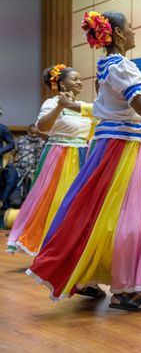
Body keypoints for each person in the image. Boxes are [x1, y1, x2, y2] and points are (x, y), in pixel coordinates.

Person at [27, 11, 141, 311]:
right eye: (131, 27)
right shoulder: (122, 67)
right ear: (120, 34)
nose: (135, 32)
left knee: (101, 214)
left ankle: (95, 275)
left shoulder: (109, 65)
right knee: (134, 219)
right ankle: (126, 289)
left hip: (120, 145)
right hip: (124, 149)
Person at [7, 65, 91, 255]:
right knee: (56, 201)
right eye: (75, 78)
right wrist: (61, 106)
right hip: (60, 155)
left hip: (82, 156)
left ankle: (71, 247)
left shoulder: (82, 106)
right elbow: (42, 127)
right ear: (62, 84)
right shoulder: (51, 103)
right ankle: (51, 247)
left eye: (80, 79)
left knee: (78, 204)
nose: (80, 82)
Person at [13, 124, 46, 192]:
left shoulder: (42, 143)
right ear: (28, 132)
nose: (34, 135)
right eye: (32, 133)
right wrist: (12, 163)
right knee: (16, 200)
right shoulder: (21, 140)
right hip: (19, 171)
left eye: (36, 133)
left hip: (34, 173)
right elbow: (12, 153)